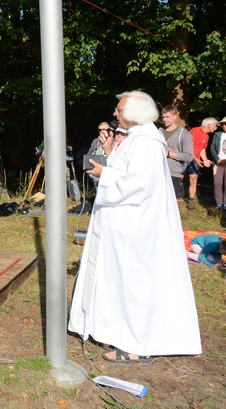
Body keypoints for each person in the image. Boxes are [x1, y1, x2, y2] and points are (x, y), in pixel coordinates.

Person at [70, 91, 201, 362]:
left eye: (119, 110)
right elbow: (126, 171)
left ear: (134, 114)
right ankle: (113, 330)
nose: (115, 114)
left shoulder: (146, 142)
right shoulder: (137, 139)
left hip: (136, 226)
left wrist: (104, 173)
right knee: (118, 279)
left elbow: (138, 183)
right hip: (122, 223)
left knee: (134, 282)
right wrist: (109, 154)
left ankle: (136, 344)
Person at [159, 105, 194, 199]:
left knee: (171, 207)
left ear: (175, 116)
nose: (164, 120)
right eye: (163, 117)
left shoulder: (184, 134)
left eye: (167, 117)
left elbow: (189, 156)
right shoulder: (159, 132)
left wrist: (169, 154)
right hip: (158, 172)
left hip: (173, 173)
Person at [185, 117, 218, 210]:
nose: (216, 128)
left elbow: (202, 149)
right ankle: (175, 197)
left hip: (196, 159)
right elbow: (188, 146)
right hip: (186, 157)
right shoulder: (194, 131)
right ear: (209, 125)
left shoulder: (206, 136)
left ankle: (191, 201)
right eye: (215, 125)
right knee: (180, 176)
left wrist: (205, 159)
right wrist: (195, 159)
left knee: (194, 178)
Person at [210, 117, 226, 211]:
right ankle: (219, 203)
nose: (224, 126)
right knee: (217, 183)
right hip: (218, 162)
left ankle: (225, 204)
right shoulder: (217, 134)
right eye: (223, 124)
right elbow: (212, 148)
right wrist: (217, 159)